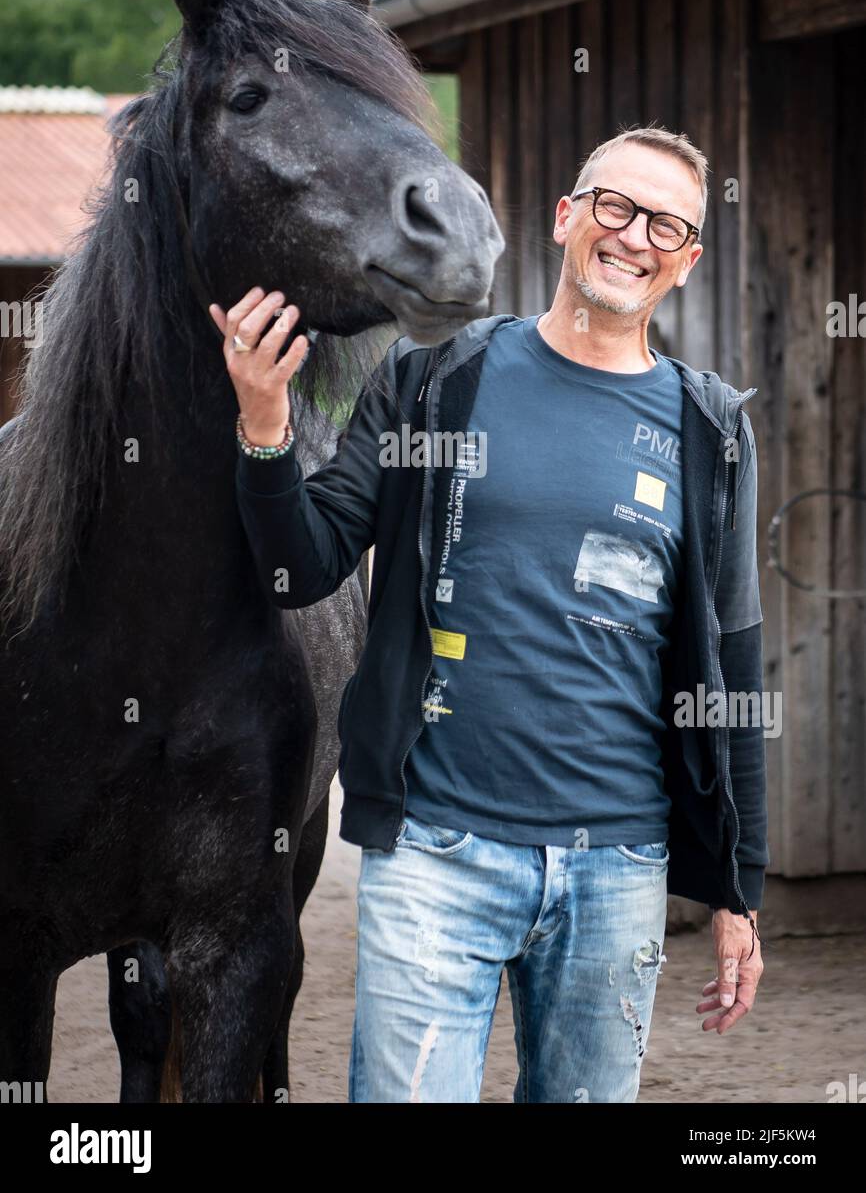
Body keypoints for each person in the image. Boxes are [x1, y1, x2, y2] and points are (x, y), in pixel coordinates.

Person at [210, 125, 768, 1103]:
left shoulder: (707, 429)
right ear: (565, 219)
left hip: (618, 865)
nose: (632, 236)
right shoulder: (433, 384)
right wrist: (264, 431)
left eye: (663, 225)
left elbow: (732, 658)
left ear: (684, 260)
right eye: (614, 206)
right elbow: (304, 569)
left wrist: (737, 890)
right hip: (437, 855)